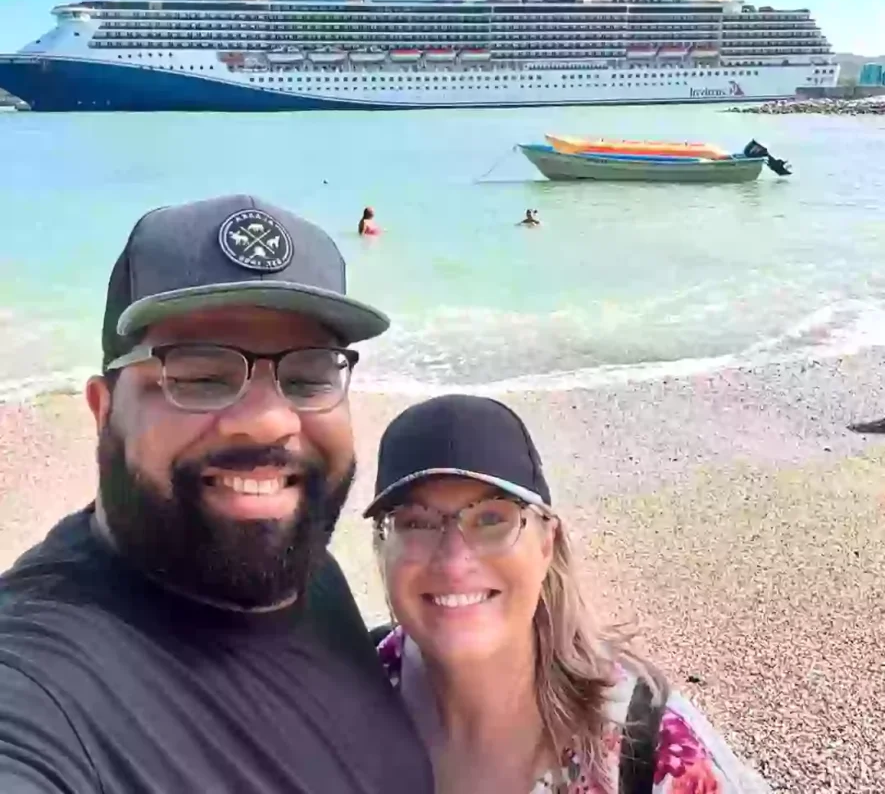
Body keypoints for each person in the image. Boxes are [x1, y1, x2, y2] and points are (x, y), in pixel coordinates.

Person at [0, 195, 433, 794]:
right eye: (198, 376)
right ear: (104, 411)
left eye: (309, 376)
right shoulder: (41, 684)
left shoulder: (294, 566)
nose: (267, 422)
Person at [365, 395, 772, 794]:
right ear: (382, 548)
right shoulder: (344, 696)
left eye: (491, 519)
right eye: (415, 523)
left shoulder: (648, 750)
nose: (453, 563)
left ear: (547, 543)